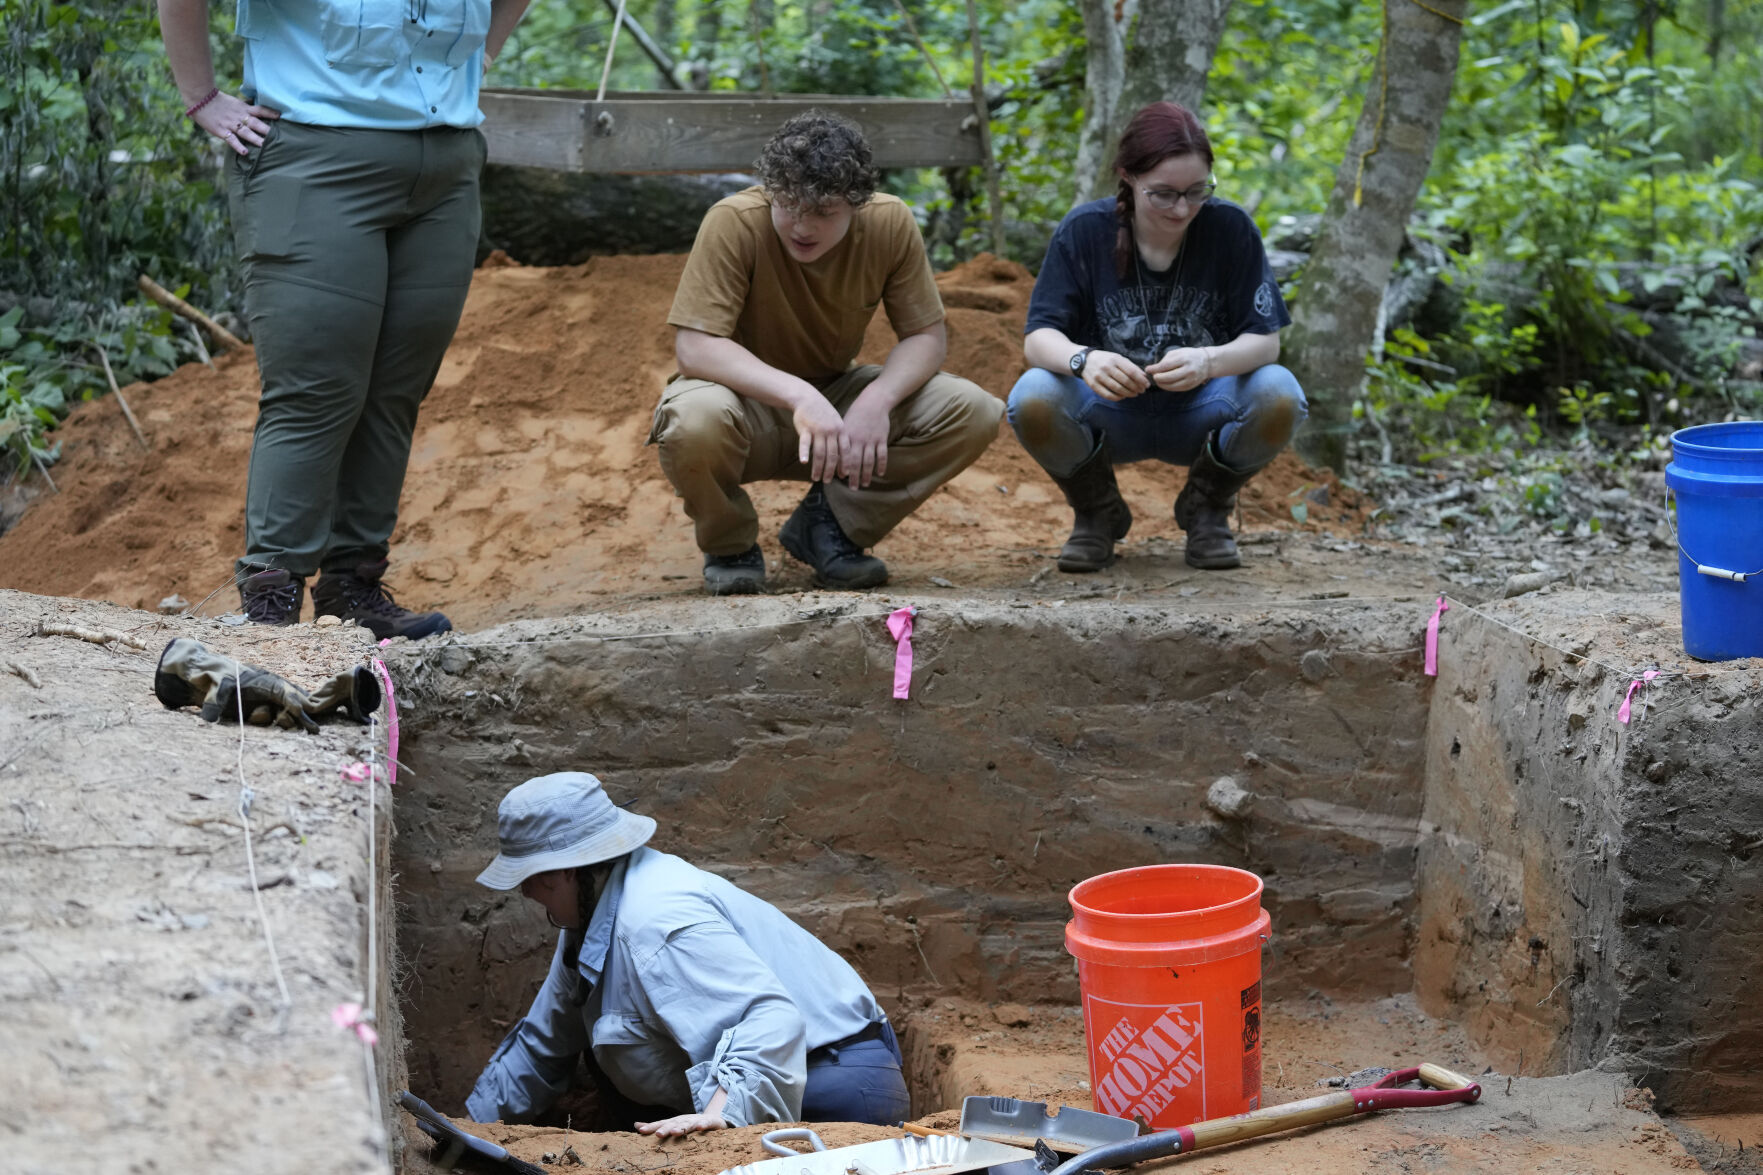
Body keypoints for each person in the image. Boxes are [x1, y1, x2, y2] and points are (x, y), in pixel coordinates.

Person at [156, 0, 534, 636]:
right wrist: (201, 98)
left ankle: (353, 589)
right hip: (312, 159)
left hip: (446, 170)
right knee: (316, 387)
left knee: (394, 390)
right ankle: (271, 602)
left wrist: (481, 53)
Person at [653, 111, 1004, 595]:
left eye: (824, 212)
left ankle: (830, 528)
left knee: (973, 410)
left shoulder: (890, 222)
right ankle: (729, 543)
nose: (802, 225)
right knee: (692, 420)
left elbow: (927, 337)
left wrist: (877, 401)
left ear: (857, 205)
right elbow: (694, 347)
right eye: (789, 204)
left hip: (836, 407)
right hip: (739, 405)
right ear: (771, 189)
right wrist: (798, 396)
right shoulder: (732, 221)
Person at [465, 772, 912, 1134]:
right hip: (803, 1075)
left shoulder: (652, 921)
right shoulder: (590, 920)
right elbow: (542, 1045)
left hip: (834, 1082)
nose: (525, 890)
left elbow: (771, 1019)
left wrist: (722, 1113)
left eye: (535, 876)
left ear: (571, 870)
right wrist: (464, 1130)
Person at [1008, 101, 1307, 573]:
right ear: (1128, 177)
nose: (1182, 208)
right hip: (1109, 411)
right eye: (1163, 194)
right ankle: (1096, 514)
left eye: (1197, 191)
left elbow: (1266, 344)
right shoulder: (1085, 231)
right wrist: (1086, 360)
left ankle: (1207, 510)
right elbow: (1038, 339)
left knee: (1280, 391)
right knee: (1032, 395)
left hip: (1203, 409)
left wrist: (1209, 362)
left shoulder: (1230, 229)